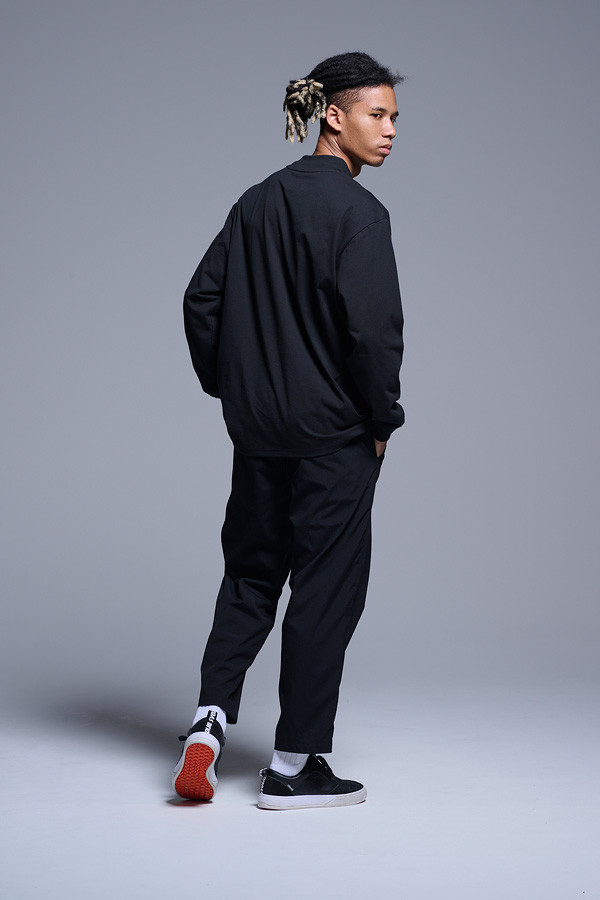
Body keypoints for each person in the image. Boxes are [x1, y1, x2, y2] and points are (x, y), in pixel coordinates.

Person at [173, 50, 405, 810]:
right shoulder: (360, 214)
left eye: (394, 117)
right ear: (333, 116)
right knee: (324, 592)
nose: (390, 130)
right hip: (335, 438)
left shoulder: (256, 202)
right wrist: (382, 418)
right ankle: (294, 765)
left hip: (259, 434)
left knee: (249, 575)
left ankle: (209, 722)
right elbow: (374, 334)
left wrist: (235, 389)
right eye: (377, 114)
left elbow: (201, 300)